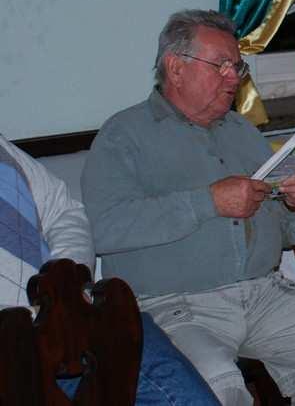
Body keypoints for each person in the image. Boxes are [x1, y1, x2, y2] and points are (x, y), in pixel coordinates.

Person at [81, 9, 295, 405]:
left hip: (263, 294)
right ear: (175, 67)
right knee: (217, 388)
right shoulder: (124, 135)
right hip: (175, 304)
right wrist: (208, 202)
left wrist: (293, 202)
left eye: (237, 66)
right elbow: (104, 227)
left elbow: (287, 236)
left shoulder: (242, 132)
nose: (234, 78)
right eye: (220, 65)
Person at [0, 133, 219, 404]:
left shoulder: (4, 148)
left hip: (72, 316)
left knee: (177, 383)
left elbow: (64, 212)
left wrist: (65, 288)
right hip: (14, 347)